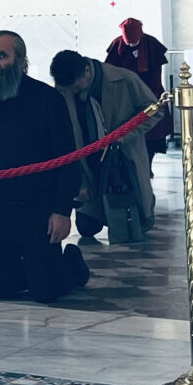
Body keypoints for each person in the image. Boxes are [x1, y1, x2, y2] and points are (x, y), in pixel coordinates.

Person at [0, 32, 89, 301]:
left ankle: (72, 262)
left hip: (37, 211)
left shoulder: (47, 99)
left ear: (21, 61)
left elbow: (67, 159)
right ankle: (29, 269)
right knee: (1, 289)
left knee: (47, 291)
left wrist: (62, 211)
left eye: (2, 56)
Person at [51, 50, 156, 242]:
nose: (74, 92)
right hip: (87, 158)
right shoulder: (63, 89)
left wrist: (124, 134)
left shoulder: (125, 79)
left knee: (133, 228)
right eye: (70, 89)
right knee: (86, 227)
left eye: (77, 87)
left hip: (121, 158)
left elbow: (154, 110)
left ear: (87, 71)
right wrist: (79, 182)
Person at [104, 18, 169, 154]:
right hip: (126, 94)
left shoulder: (151, 44)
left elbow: (156, 74)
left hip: (150, 90)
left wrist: (152, 96)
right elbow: (111, 71)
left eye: (134, 42)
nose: (131, 45)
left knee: (152, 133)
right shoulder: (117, 45)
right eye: (129, 43)